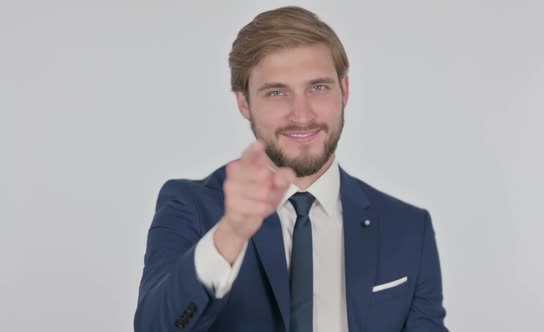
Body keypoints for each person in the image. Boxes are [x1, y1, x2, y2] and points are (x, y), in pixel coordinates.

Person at [134, 6, 448, 332]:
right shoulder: (190, 206)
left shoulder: (408, 228)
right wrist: (232, 233)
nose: (301, 115)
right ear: (244, 103)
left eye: (318, 87)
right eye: (276, 92)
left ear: (345, 90)